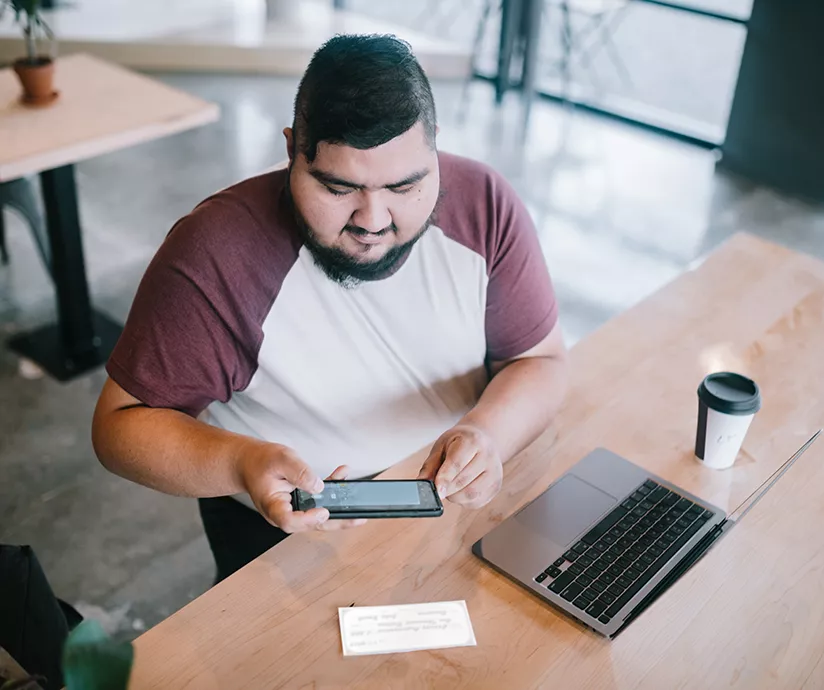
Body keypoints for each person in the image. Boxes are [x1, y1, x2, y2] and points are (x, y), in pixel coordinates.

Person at [92, 34, 568, 583]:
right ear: (293, 148)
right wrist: (239, 462)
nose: (372, 220)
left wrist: (488, 434)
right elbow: (119, 429)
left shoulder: (485, 204)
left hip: (462, 509)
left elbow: (540, 361)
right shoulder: (217, 253)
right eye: (338, 188)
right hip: (291, 535)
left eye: (405, 185)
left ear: (434, 147)